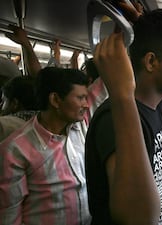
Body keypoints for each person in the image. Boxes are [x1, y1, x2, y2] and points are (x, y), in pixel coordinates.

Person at [85, 5, 162, 225]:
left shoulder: (156, 111)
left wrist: (145, 25)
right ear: (151, 62)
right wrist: (122, 95)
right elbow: (138, 218)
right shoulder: (114, 117)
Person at [0, 67, 91, 225]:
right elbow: (10, 215)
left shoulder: (78, 129)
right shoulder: (15, 150)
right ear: (55, 100)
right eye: (81, 98)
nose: (86, 105)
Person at [0, 76, 38, 141]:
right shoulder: (43, 127)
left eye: (3, 101)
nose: (0, 105)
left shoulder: (4, 125)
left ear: (15, 104)